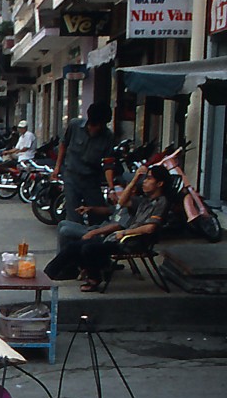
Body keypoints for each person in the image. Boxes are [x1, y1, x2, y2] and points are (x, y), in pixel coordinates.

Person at [44, 163, 171, 291]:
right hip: (119, 238)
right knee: (74, 246)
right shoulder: (143, 200)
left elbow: (150, 228)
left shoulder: (161, 202)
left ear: (159, 183)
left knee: (88, 248)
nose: (145, 182)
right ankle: (46, 275)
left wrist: (126, 232)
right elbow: (122, 202)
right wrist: (135, 179)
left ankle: (94, 279)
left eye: (149, 179)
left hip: (132, 242)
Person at [53, 102, 117, 247]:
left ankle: (98, 254)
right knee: (73, 218)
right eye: (98, 125)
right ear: (90, 122)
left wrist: (111, 188)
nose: (100, 128)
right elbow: (63, 144)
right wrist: (57, 168)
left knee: (99, 217)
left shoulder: (108, 136)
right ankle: (73, 254)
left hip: (91, 180)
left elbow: (108, 164)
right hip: (71, 178)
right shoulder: (74, 126)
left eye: (103, 125)